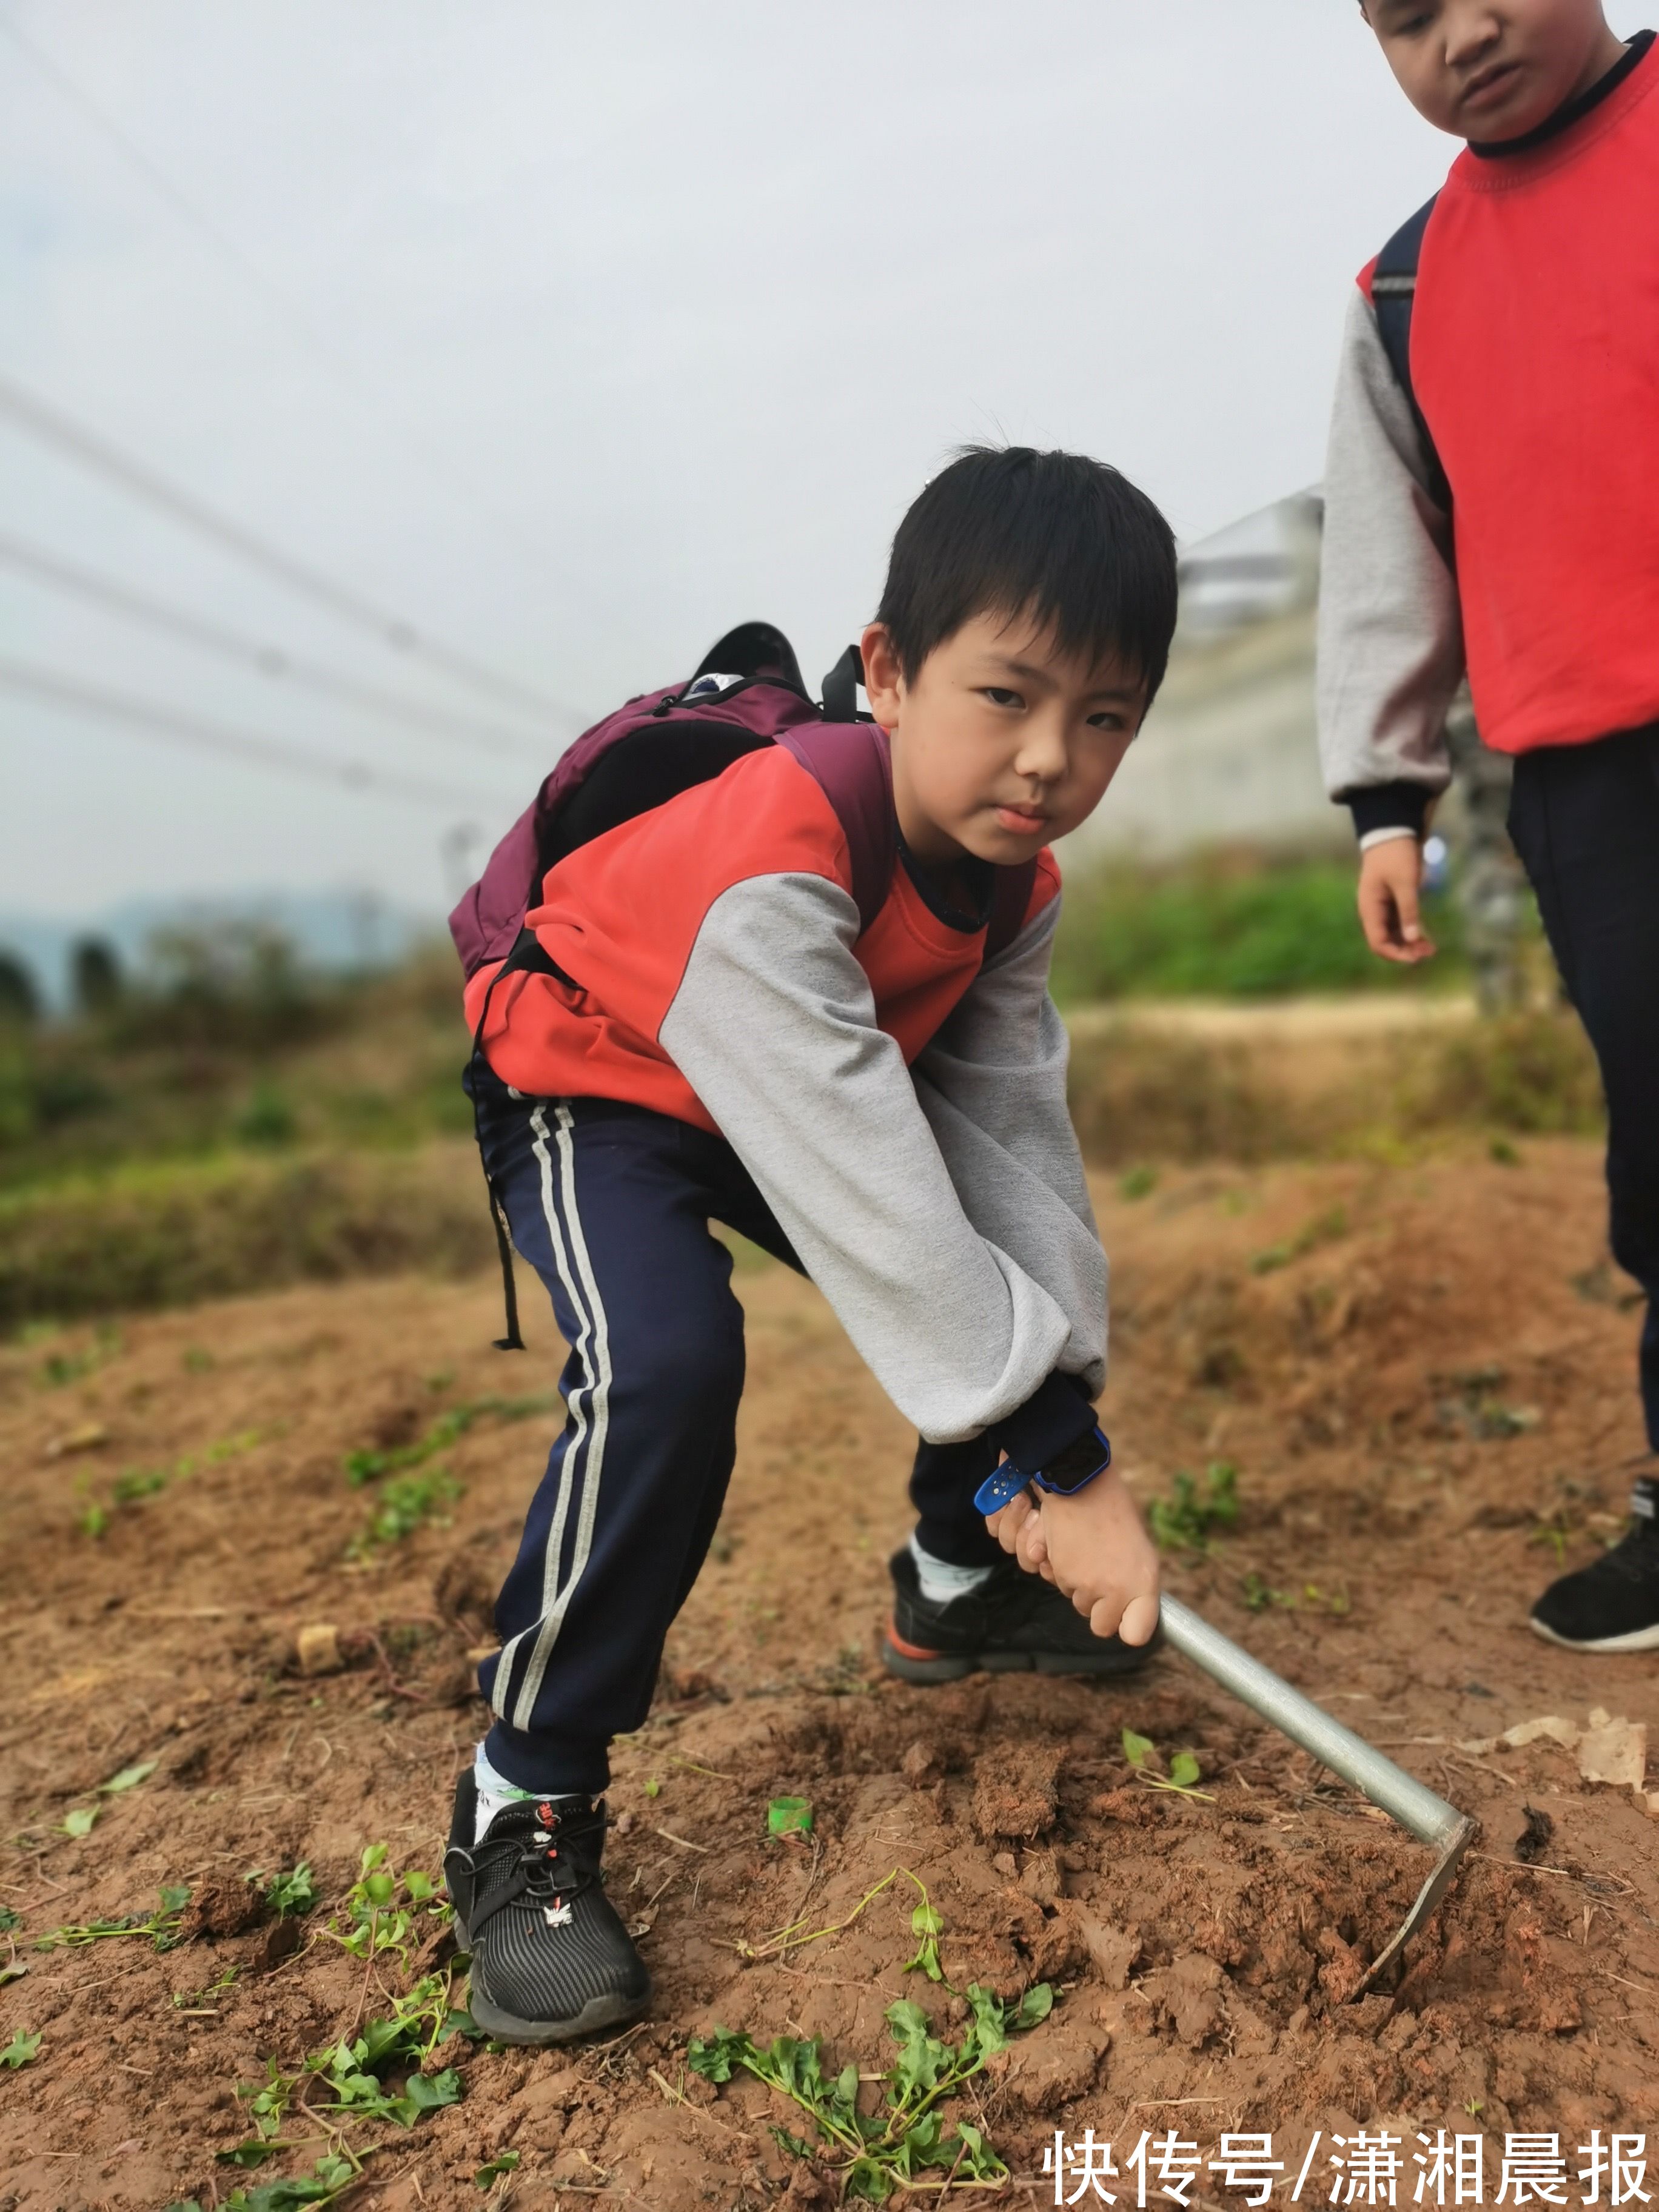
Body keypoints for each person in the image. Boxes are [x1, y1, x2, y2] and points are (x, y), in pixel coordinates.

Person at [442, 446, 1173, 2043]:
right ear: (894, 675)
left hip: (786, 1078)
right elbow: (872, 1192)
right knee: (669, 1366)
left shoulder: (1010, 879)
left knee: (997, 1242)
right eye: (1009, 696)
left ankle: (956, 1580)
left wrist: (1064, 1421)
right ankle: (525, 1796)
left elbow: (1004, 1145)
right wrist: (1051, 1445)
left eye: (1107, 716)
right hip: (598, 1070)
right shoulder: (778, 846)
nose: (1051, 760)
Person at [1317, 0, 1659, 1655]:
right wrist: (1389, 798)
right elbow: (1385, 558)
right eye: (1401, 18)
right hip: (1599, 792)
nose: (1456, 36)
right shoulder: (1404, 286)